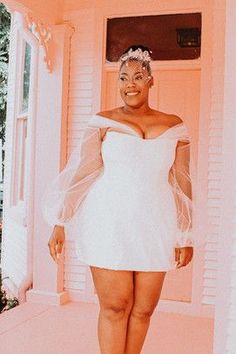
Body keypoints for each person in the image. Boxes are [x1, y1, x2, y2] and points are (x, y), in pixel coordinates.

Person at [43, 45, 194, 354]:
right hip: (109, 221)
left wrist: (185, 234)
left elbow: (182, 183)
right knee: (115, 307)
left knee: (143, 310)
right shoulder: (102, 123)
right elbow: (83, 174)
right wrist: (60, 221)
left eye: (138, 77)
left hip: (156, 224)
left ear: (151, 80)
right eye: (123, 78)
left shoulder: (175, 126)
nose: (130, 85)